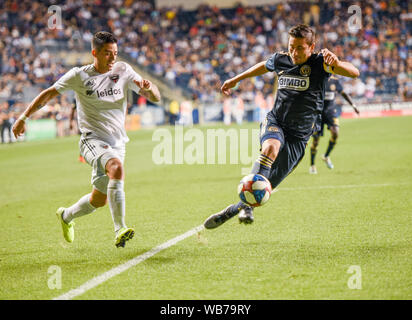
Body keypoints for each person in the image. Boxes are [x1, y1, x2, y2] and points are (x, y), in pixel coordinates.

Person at [12, 31, 161, 247]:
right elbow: (48, 93)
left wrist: (150, 89)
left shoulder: (123, 70)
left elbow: (154, 96)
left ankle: (66, 216)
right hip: (92, 140)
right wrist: (23, 117)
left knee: (98, 200)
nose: (113, 58)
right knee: (116, 168)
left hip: (118, 143)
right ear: (95, 53)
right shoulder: (78, 76)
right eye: (108, 53)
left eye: (116, 53)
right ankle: (120, 229)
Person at [204, 24, 359, 229]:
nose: (294, 52)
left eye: (300, 48)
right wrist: (236, 79)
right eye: (291, 46)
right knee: (270, 148)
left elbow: (354, 72)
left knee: (267, 187)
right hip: (276, 121)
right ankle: (247, 208)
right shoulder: (281, 59)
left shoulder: (321, 63)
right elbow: (263, 65)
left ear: (311, 47)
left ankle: (234, 209)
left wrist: (337, 62)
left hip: (300, 136)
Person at [309, 75, 359, 173]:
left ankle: (326, 156)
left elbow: (343, 93)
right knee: (315, 141)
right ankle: (312, 165)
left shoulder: (335, 81)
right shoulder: (316, 78)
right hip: (318, 113)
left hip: (330, 112)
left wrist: (353, 105)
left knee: (335, 133)